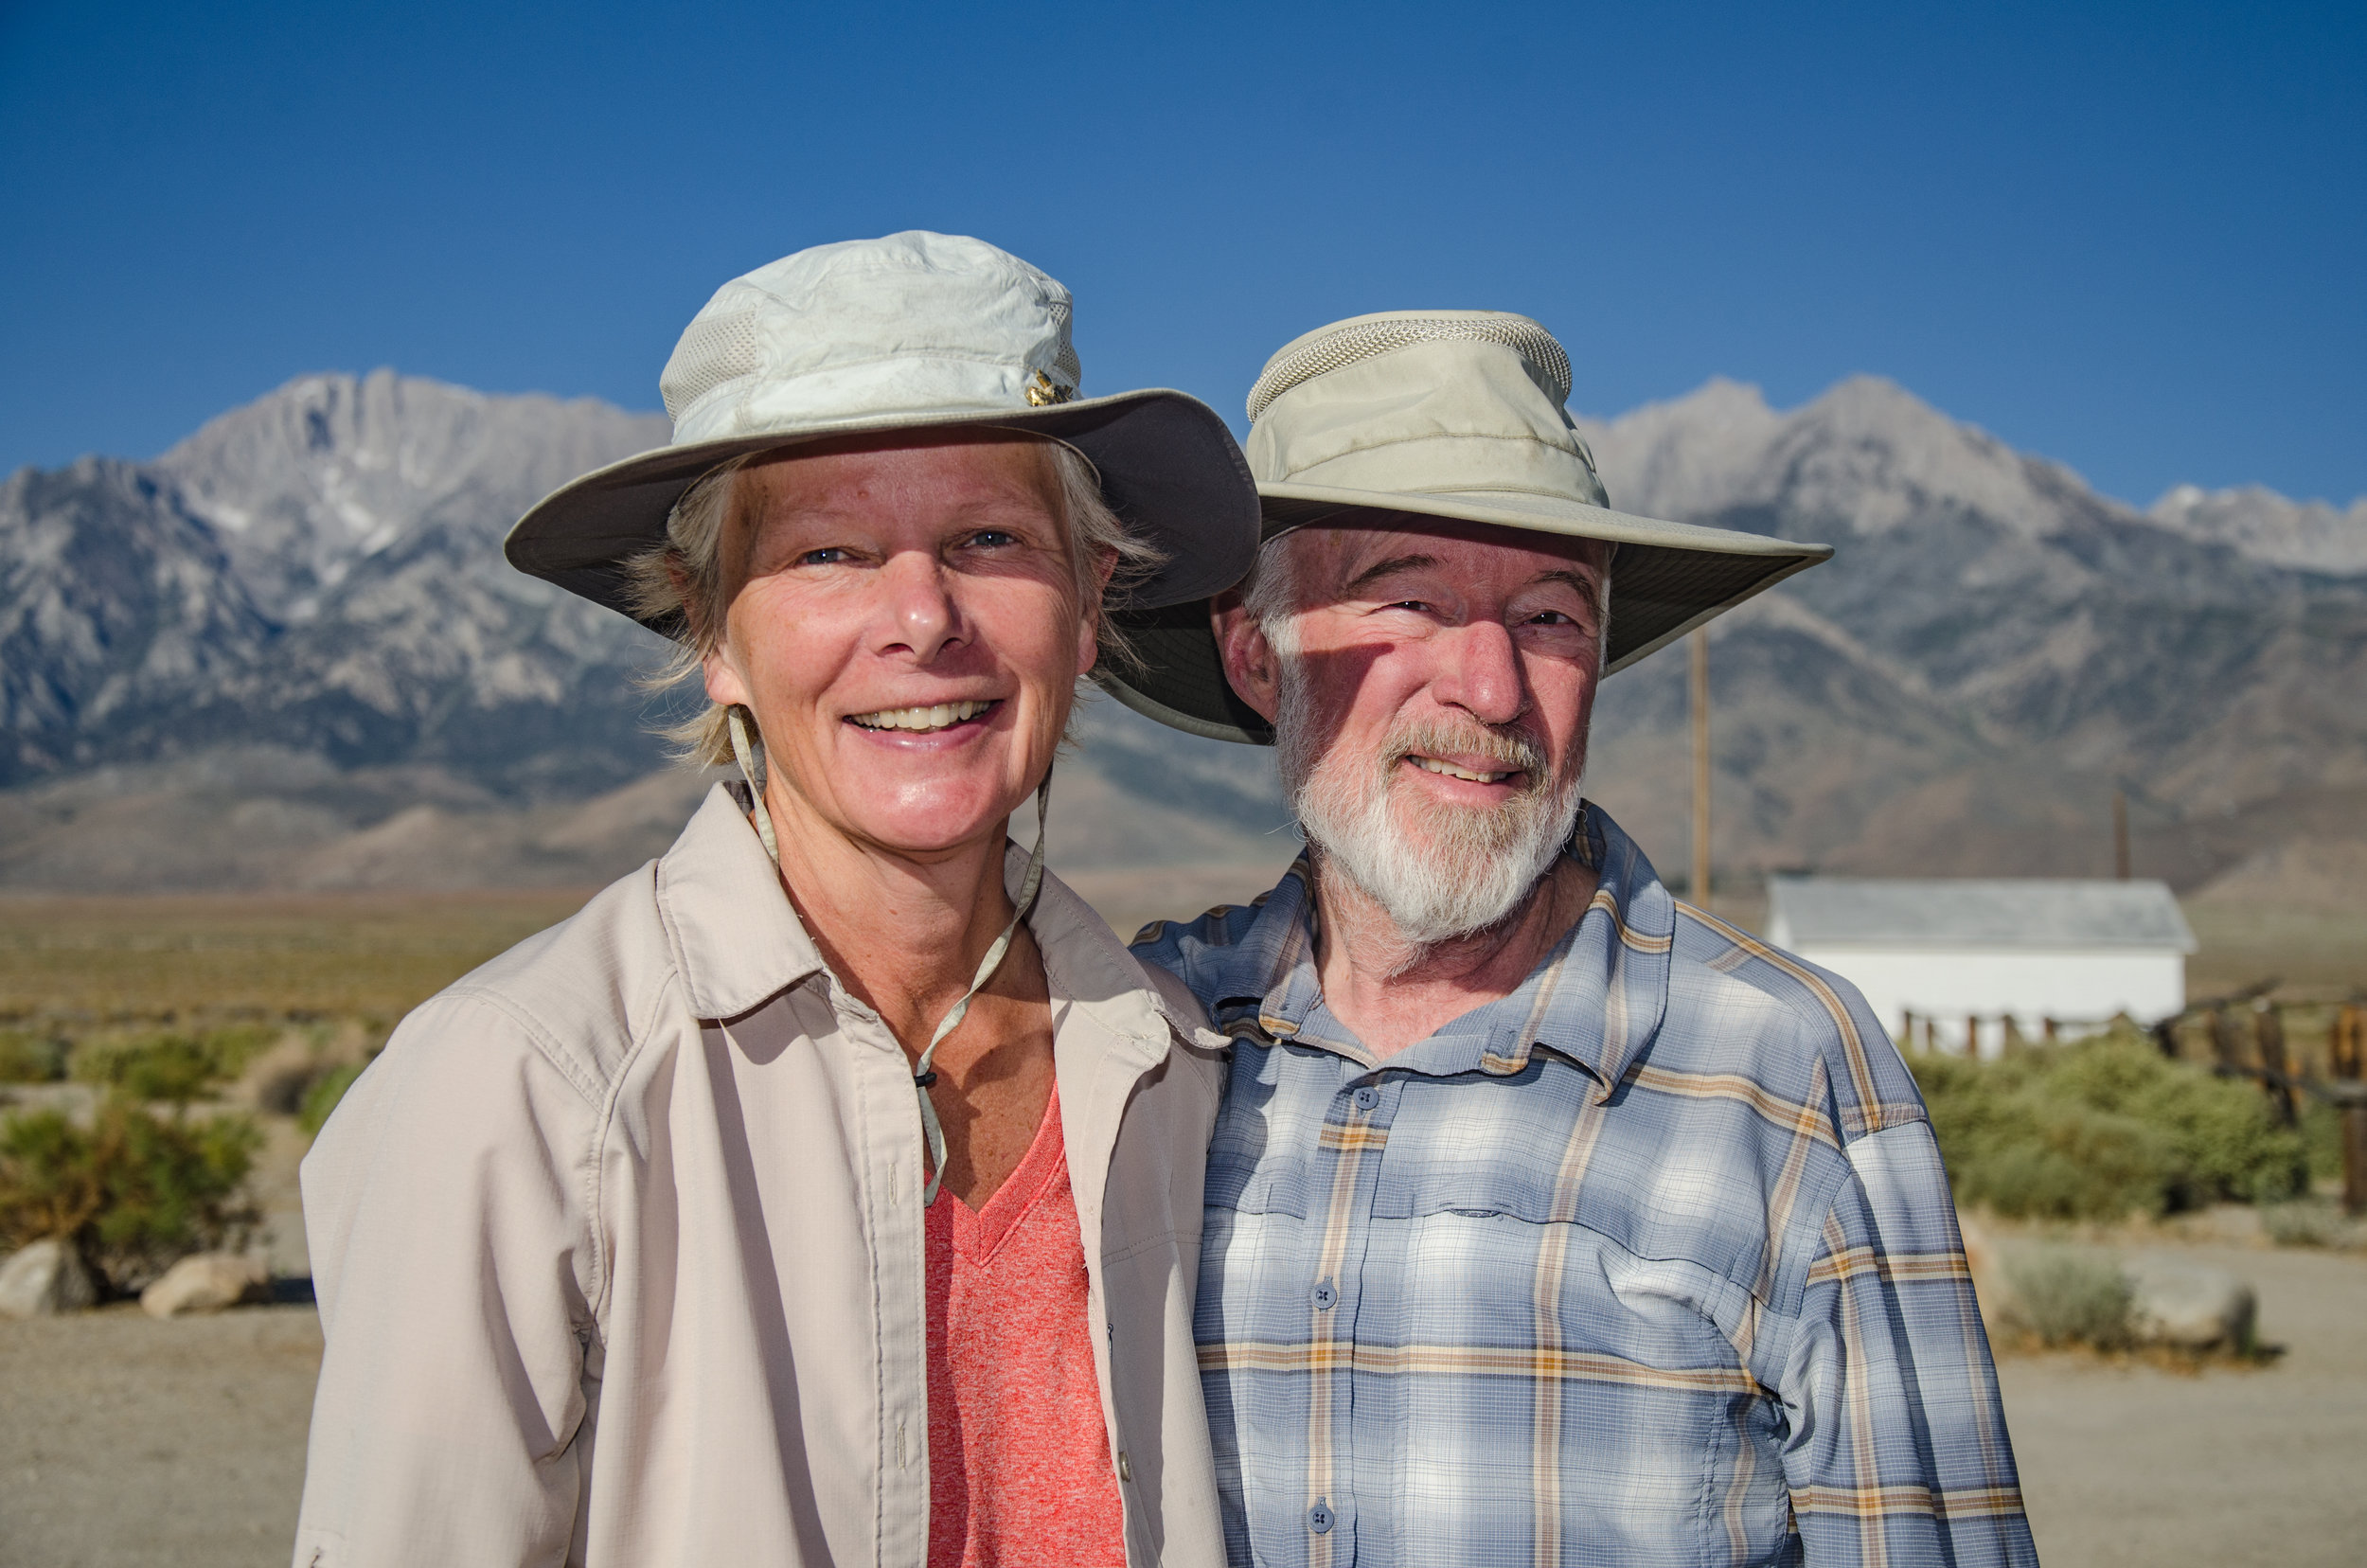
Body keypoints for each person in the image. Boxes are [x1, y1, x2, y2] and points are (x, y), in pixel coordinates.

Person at [292, 233, 1259, 1568]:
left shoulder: (1168, 1066)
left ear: (1089, 608)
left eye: (989, 539)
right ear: (708, 633)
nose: (923, 618)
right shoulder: (527, 1091)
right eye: (830, 554)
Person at [1111, 312, 2038, 1566]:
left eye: (1551, 617)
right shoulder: (1142, 1042)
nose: (1492, 691)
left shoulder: (1782, 1067)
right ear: (1253, 653)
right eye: (1412, 602)